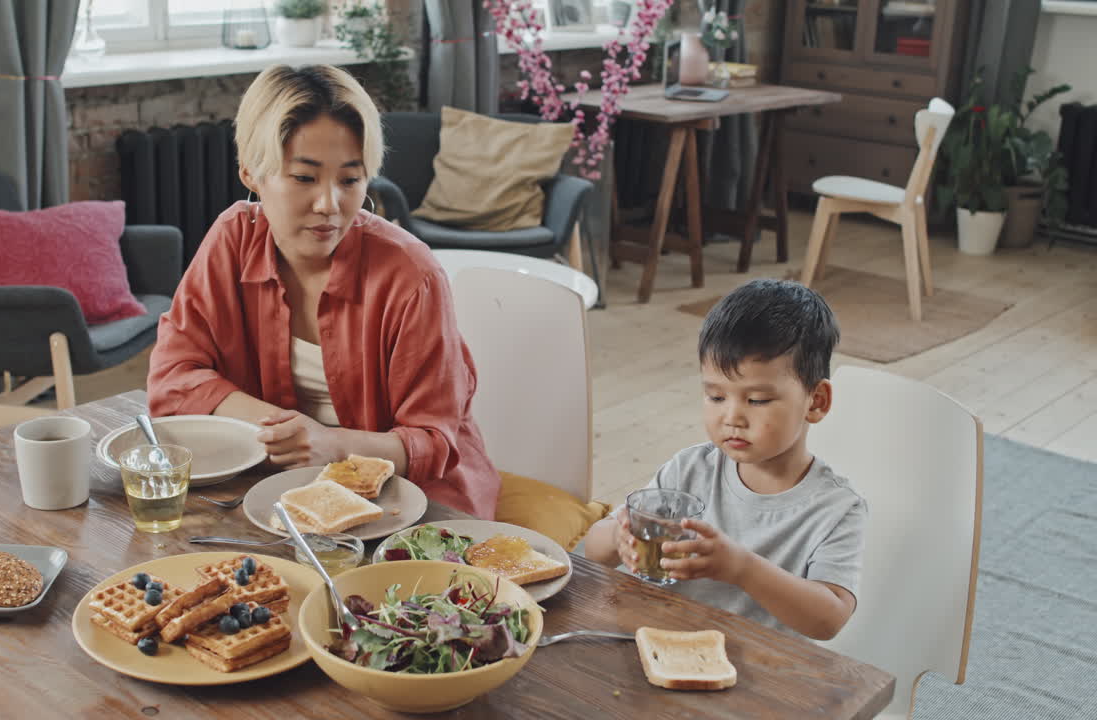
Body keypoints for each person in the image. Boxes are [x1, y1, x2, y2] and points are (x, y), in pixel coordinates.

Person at [147, 64, 500, 519]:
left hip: (415, 502)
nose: (329, 205)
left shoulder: (412, 276)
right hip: (278, 489)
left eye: (350, 180)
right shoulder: (233, 238)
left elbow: (433, 442)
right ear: (252, 172)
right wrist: (289, 433)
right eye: (304, 177)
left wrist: (331, 445)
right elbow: (172, 378)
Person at [583, 279, 866, 640]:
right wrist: (617, 539)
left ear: (816, 401)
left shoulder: (835, 508)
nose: (732, 417)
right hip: (656, 645)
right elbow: (592, 549)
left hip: (756, 673)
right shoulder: (688, 471)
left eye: (758, 400)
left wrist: (741, 568)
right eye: (716, 397)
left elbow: (829, 619)